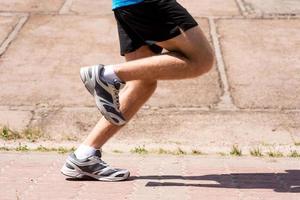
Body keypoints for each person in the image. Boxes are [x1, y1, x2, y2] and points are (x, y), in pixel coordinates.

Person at [61, 0, 214, 181]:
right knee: (202, 59)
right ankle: (106, 75)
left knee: (142, 84)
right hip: (148, 3)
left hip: (126, 5)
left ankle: (84, 156)